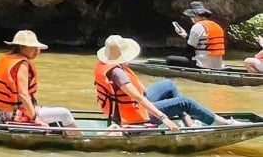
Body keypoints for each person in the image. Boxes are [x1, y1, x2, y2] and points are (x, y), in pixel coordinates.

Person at [94, 34, 234, 128]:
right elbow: (137, 98)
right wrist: (163, 118)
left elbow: (139, 93)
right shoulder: (118, 73)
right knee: (185, 102)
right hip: (134, 115)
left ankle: (188, 123)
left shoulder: (109, 65)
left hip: (133, 106)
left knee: (168, 85)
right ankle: (225, 123)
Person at [0, 30, 77, 127]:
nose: (37, 50)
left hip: (2, 114)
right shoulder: (22, 63)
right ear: (21, 47)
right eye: (33, 47)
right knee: (64, 114)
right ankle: (80, 140)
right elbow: (23, 94)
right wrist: (35, 118)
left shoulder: (9, 59)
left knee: (51, 112)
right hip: (15, 114)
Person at [173, 2, 227, 70]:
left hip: (202, 64)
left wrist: (181, 58)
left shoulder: (197, 26)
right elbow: (204, 42)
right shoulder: (216, 25)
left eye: (192, 16)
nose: (191, 18)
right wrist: (185, 35)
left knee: (170, 59)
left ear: (196, 16)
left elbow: (189, 49)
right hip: (217, 64)